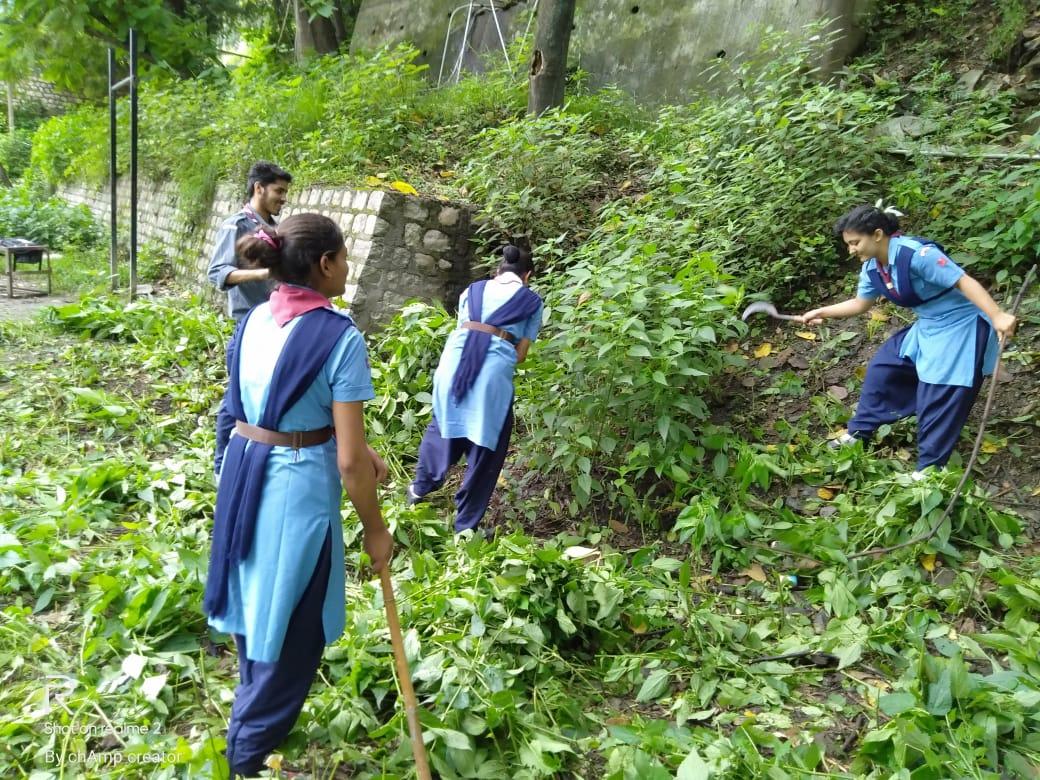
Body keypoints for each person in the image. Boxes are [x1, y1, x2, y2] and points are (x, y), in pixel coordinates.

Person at [202, 213, 393, 777]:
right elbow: (351, 463)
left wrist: (352, 446)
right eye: (343, 257)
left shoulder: (257, 318)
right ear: (325, 264)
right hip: (293, 486)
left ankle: (248, 711)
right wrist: (377, 531)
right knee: (293, 626)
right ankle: (247, 749)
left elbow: (257, 406)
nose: (348, 266)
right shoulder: (340, 337)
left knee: (258, 591)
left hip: (245, 471)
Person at [800, 203, 1017, 475]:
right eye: (849, 244)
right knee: (883, 370)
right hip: (927, 326)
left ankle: (927, 472)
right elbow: (859, 304)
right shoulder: (873, 269)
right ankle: (860, 433)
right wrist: (822, 312)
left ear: (877, 234)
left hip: (961, 326)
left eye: (855, 243)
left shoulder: (918, 255)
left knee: (939, 397)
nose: (851, 250)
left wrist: (997, 316)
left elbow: (963, 282)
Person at [408, 244, 544, 533]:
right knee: (487, 445)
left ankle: (418, 491)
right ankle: (465, 526)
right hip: (492, 374)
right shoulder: (532, 301)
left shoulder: (473, 290)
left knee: (444, 424)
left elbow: (464, 328)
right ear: (527, 275)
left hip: (453, 364)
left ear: (498, 271)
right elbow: (520, 354)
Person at [208, 161, 292, 474]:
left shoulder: (273, 227)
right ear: (259, 188)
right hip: (248, 323)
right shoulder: (237, 225)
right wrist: (263, 273)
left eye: (285, 192)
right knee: (237, 398)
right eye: (278, 191)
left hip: (276, 323)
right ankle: (220, 467)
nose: (283, 198)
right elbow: (217, 273)